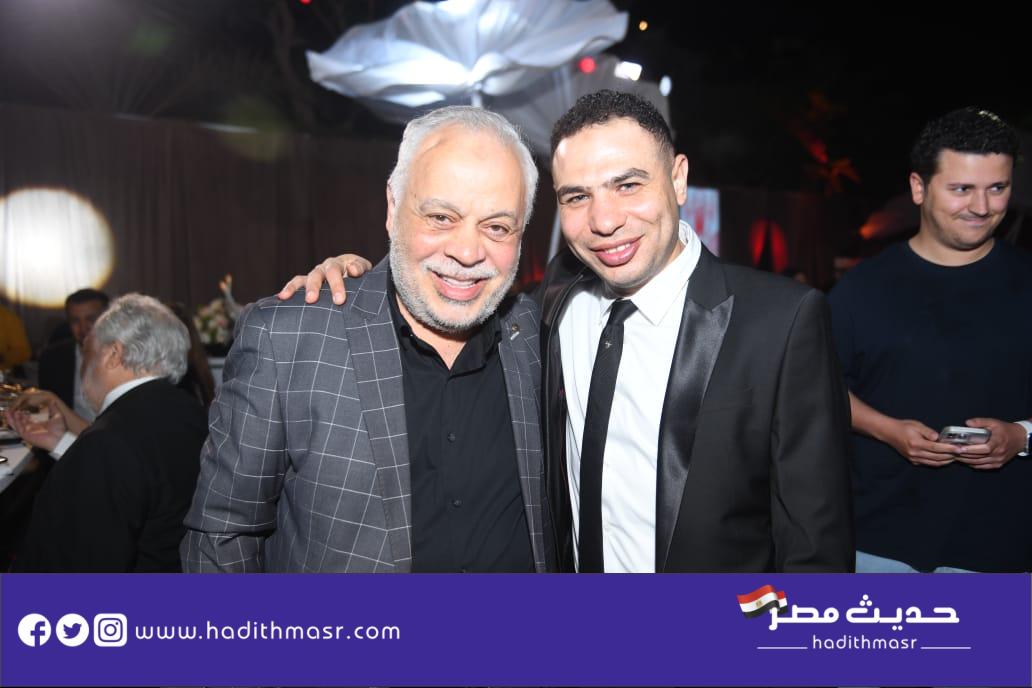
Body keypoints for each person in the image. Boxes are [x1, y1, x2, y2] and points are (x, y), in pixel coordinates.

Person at [283, 90, 854, 573]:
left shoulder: (781, 323)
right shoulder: (551, 303)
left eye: (627, 185)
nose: (604, 221)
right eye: (578, 196)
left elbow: (816, 553)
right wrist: (359, 277)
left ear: (678, 178)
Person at [182, 106, 553, 573]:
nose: (466, 251)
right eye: (441, 217)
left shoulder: (537, 339)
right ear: (393, 209)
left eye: (497, 226)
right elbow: (221, 536)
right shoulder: (290, 339)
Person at [827, 107, 1032, 573]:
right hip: (877, 544)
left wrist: (1021, 435)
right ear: (919, 188)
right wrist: (888, 430)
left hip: (1002, 547)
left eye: (997, 188)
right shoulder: (861, 289)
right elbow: (818, 388)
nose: (981, 207)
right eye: (961, 189)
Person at [8, 294, 207, 572]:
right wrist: (62, 443)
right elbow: (138, 477)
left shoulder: (109, 440)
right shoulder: (191, 413)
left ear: (113, 355)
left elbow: (84, 566)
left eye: (88, 350)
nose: (83, 365)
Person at [37, 288, 109, 424]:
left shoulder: (126, 357)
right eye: (75, 321)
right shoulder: (52, 359)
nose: (83, 328)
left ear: (108, 319)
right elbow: (49, 413)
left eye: (91, 319)